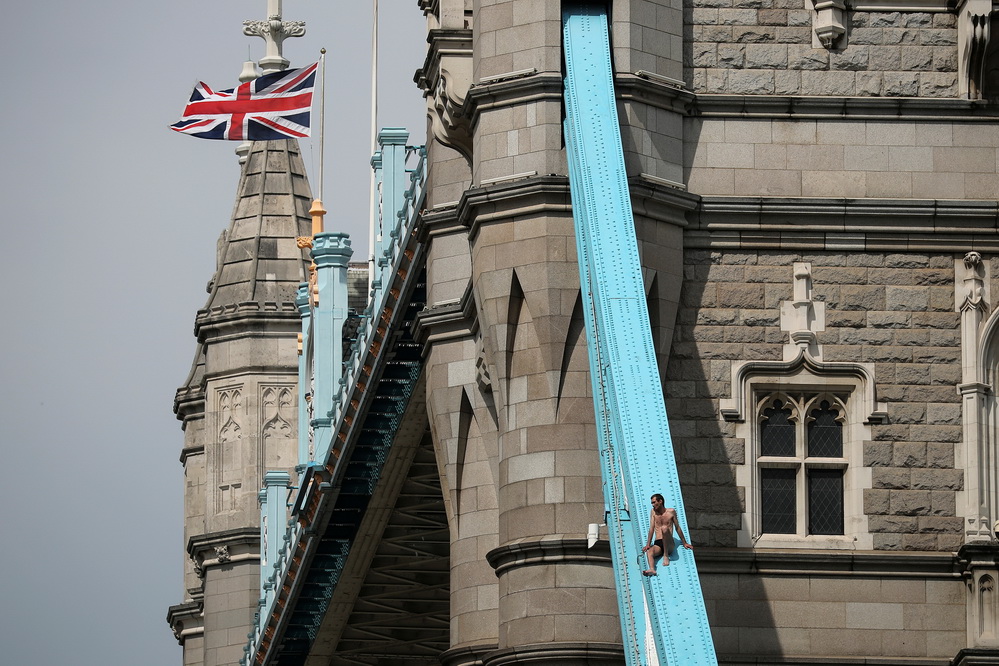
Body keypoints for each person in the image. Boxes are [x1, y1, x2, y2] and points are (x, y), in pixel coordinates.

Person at [642, 493, 692, 576]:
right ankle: (652, 569)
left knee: (664, 528)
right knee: (650, 551)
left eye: (654, 502)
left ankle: (665, 555)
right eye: (652, 503)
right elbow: (651, 528)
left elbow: (677, 528)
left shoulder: (671, 512)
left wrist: (684, 543)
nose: (653, 505)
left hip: (669, 544)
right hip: (658, 543)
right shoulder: (653, 512)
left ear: (660, 501)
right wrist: (648, 544)